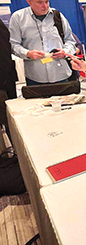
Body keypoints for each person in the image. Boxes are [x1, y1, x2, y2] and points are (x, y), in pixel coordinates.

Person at [9, 0, 76, 86]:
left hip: (61, 75)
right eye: (39, 2)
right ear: (29, 1)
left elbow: (70, 41)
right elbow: (13, 45)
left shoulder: (58, 16)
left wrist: (65, 51)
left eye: (46, 1)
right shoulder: (18, 18)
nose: (45, 6)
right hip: (35, 77)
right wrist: (27, 53)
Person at [0, 19, 26, 197]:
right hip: (5, 83)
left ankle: (19, 161)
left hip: (3, 85)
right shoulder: (18, 18)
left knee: (10, 123)